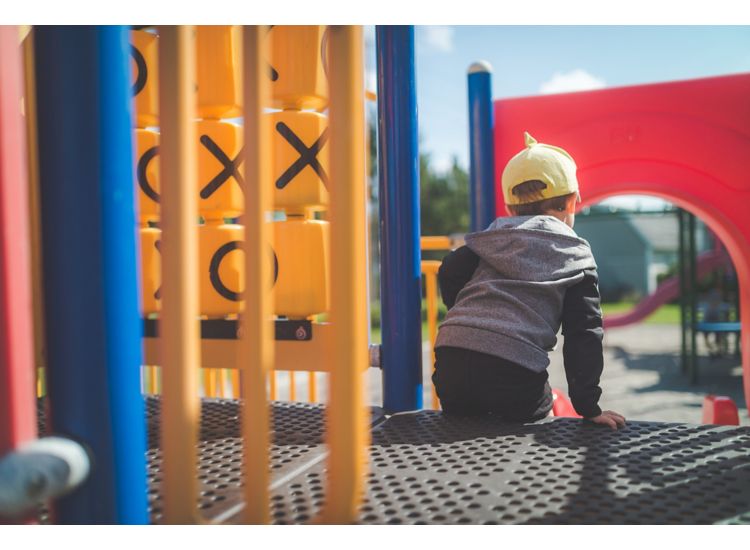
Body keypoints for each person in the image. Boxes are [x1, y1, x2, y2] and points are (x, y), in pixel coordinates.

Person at [433, 132, 625, 430]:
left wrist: (464, 314)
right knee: (539, 417)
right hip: (513, 369)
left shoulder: (489, 239)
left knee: (463, 425)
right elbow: (583, 333)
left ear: (510, 208)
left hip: (451, 362)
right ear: (573, 202)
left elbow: (449, 270)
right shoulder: (574, 253)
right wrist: (588, 406)